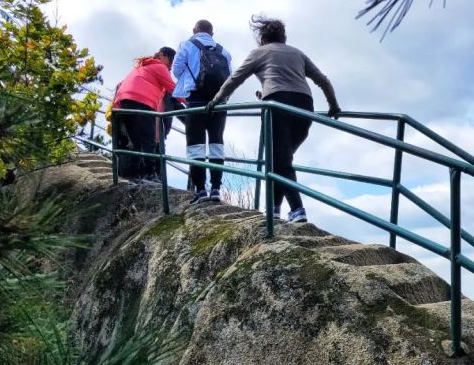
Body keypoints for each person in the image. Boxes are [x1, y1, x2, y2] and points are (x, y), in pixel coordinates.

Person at [207, 15, 341, 223]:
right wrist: (333, 106)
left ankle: (297, 210)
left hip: (277, 107)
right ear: (283, 37)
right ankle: (275, 209)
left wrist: (216, 101)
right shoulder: (297, 54)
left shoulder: (259, 53)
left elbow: (235, 79)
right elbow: (323, 80)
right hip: (305, 108)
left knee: (281, 161)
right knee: (281, 160)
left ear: (262, 38)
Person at [172, 19, 232, 204]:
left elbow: (176, 70)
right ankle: (215, 189)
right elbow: (230, 76)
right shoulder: (224, 51)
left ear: (194, 30)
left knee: (195, 146)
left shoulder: (187, 45)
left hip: (196, 100)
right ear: (212, 33)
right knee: (216, 145)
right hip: (219, 102)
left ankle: (200, 190)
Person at [113, 47, 176, 184]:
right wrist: (193, 103)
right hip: (141, 102)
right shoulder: (159, 66)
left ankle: (133, 176)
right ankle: (150, 175)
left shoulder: (142, 68)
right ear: (162, 55)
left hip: (124, 103)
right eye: (170, 61)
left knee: (136, 142)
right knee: (149, 140)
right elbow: (175, 90)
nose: (170, 65)